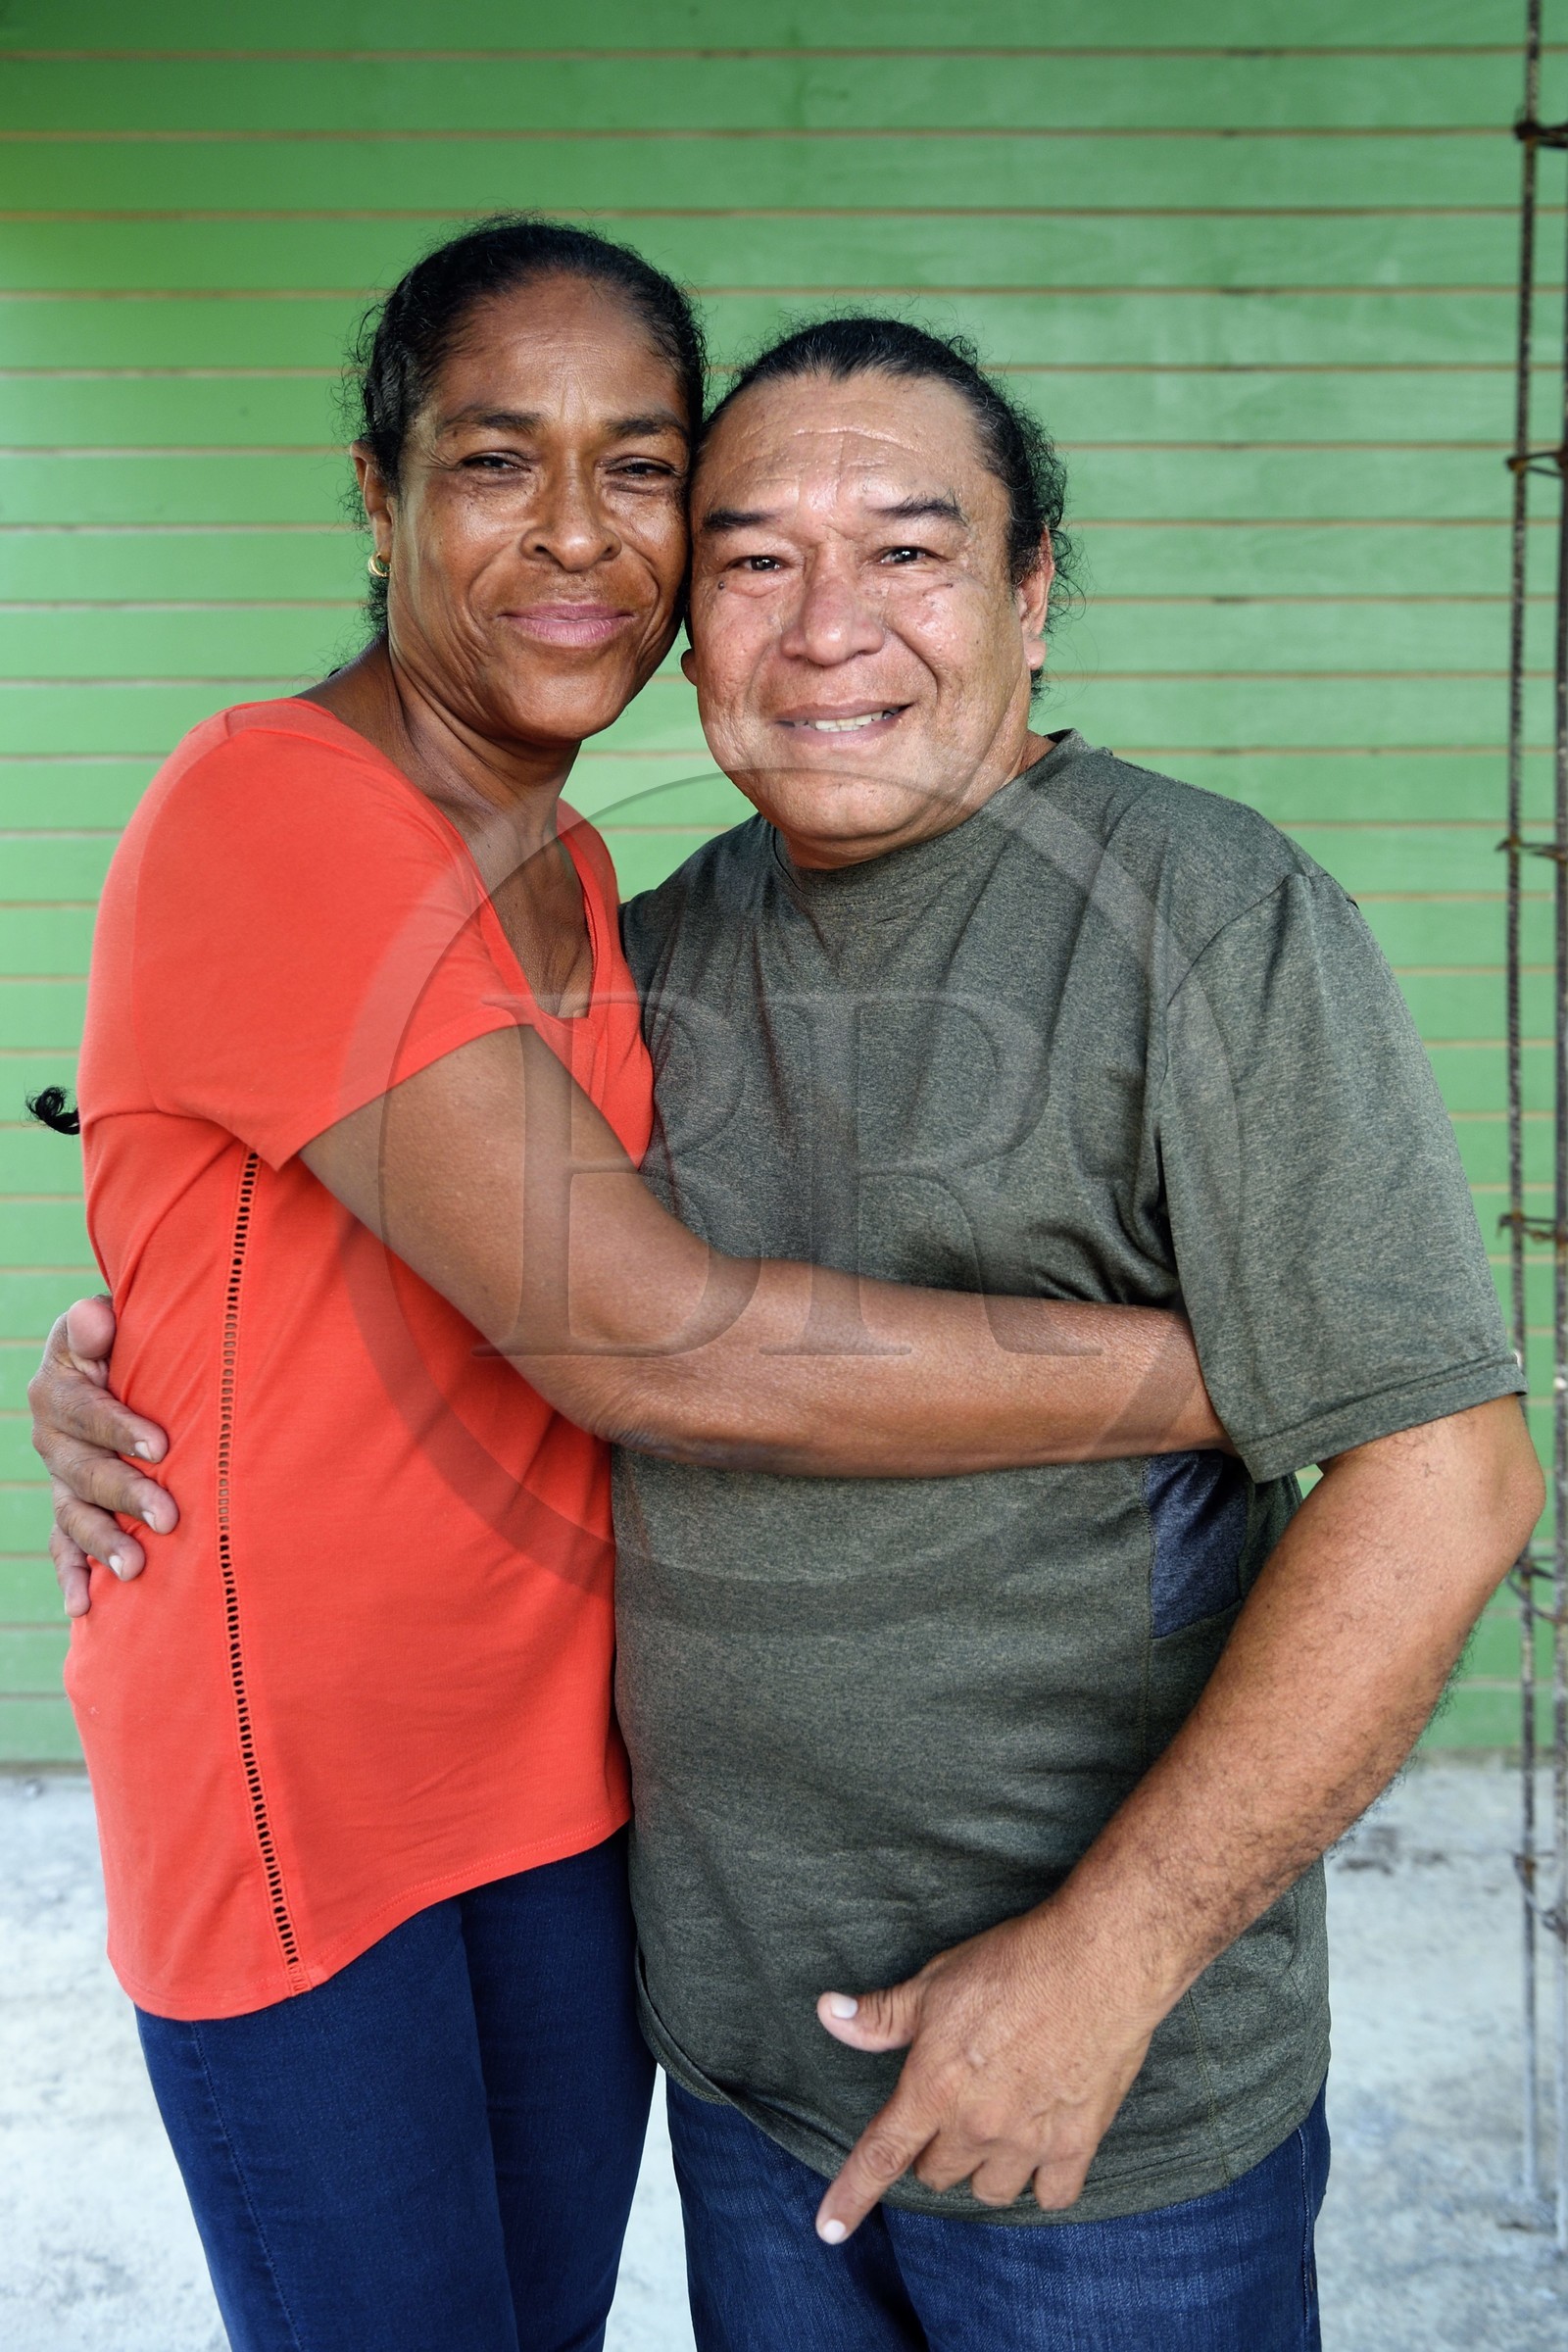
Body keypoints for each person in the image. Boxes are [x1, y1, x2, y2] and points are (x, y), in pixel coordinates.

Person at [22, 237, 1224, 2352]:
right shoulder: (276, 806)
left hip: (563, 1768)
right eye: (498, 461)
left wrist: (116, 1323)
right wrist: (1224, 1370)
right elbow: (661, 1341)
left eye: (641, 467)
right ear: (379, 493)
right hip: (309, 1785)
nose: (578, 531)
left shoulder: (577, 869)